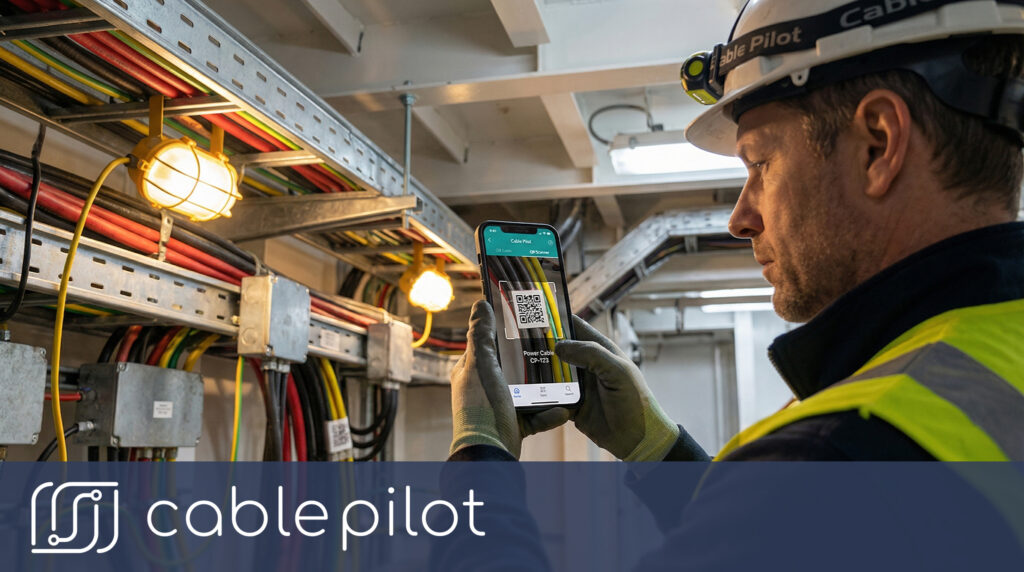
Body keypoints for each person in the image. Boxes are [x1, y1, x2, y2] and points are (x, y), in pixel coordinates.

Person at [448, 0, 1024, 465]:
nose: (740, 218)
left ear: (877, 143)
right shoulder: (989, 360)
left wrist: (480, 452)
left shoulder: (833, 450)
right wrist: (657, 449)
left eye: (761, 164)